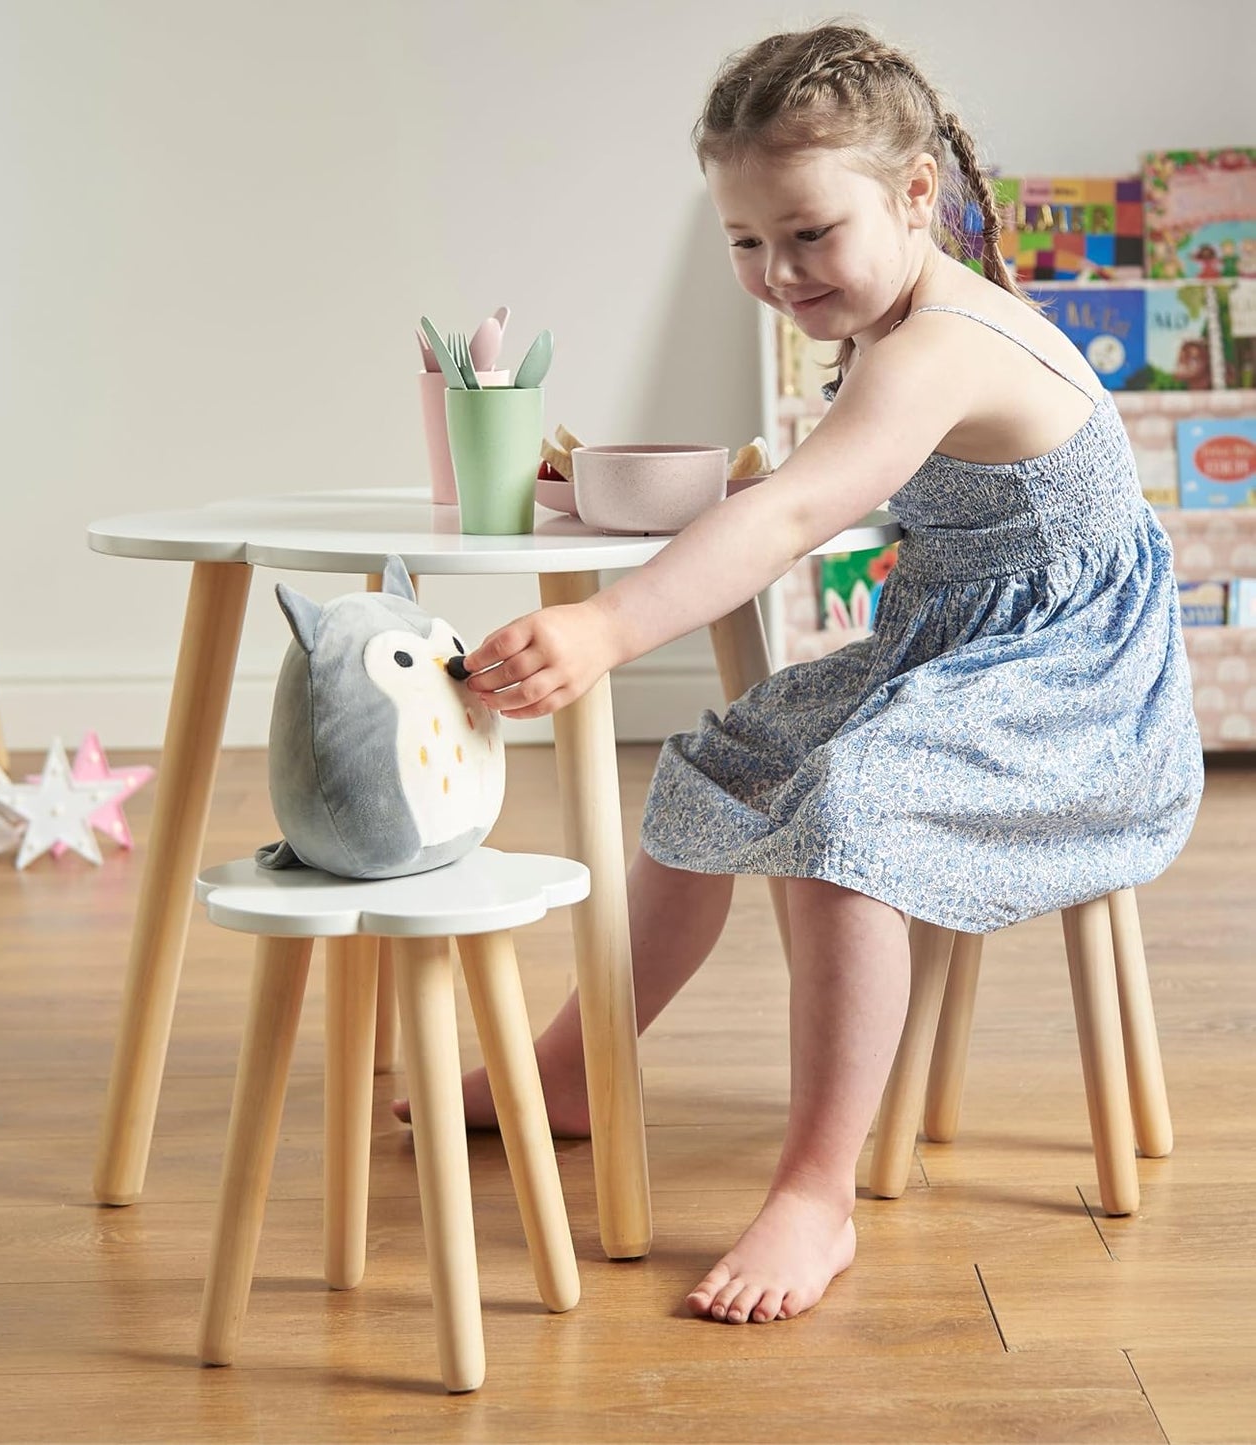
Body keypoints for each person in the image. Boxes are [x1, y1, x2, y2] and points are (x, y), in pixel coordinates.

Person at [395, 22, 1203, 1326]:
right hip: (954, 644)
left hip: (1075, 690)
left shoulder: (936, 345)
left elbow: (790, 521)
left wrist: (604, 629)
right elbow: (846, 483)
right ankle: (571, 1066)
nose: (776, 272)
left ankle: (816, 1190)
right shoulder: (895, 325)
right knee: (720, 757)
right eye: (744, 242)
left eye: (808, 234)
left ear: (914, 197)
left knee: (844, 817)